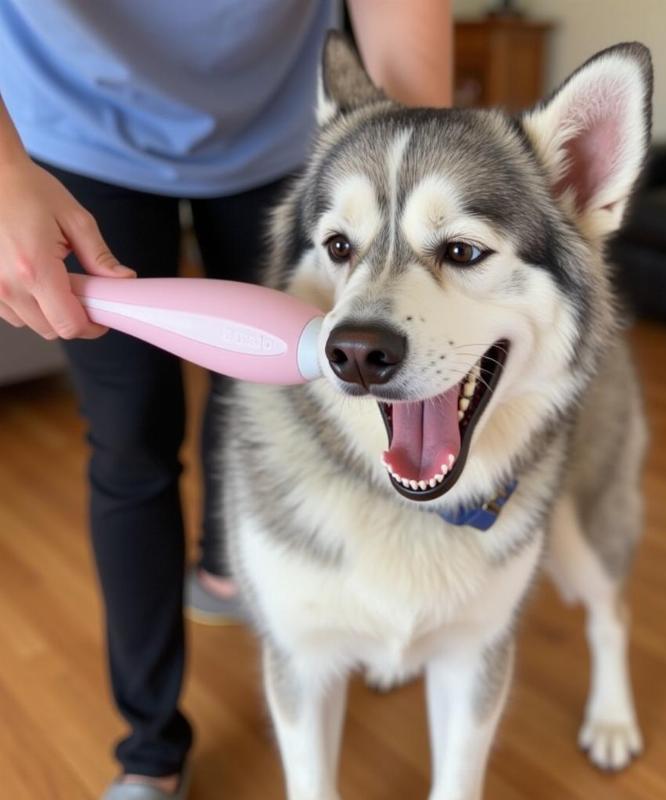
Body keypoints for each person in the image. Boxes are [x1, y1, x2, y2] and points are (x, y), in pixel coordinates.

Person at [0, 2, 452, 797]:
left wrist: (420, 172)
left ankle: (224, 573)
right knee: (132, 439)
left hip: (283, 130)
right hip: (70, 128)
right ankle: (149, 750)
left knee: (268, 399)